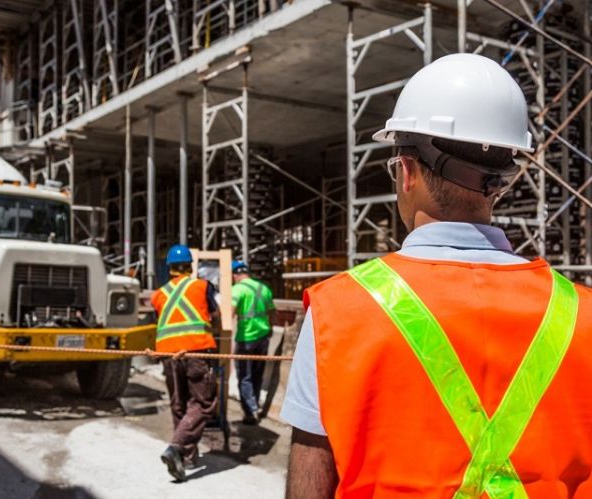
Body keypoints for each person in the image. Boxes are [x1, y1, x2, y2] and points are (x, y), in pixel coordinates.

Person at [282, 53, 592, 498]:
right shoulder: (582, 315)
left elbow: (310, 480)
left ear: (406, 171)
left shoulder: (339, 311)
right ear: (501, 181)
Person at [151, 244, 220, 482]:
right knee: (204, 404)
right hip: (196, 351)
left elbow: (161, 322)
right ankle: (176, 447)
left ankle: (187, 457)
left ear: (169, 268)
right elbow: (216, 314)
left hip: (168, 355)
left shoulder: (158, 294)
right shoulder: (202, 286)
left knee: (179, 404)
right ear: (191, 266)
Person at [231, 260, 275, 424]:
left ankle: (250, 412)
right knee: (257, 375)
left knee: (245, 376)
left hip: (245, 339)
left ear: (235, 275)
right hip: (263, 338)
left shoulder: (237, 289)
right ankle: (255, 405)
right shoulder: (264, 288)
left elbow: (230, 312)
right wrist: (269, 328)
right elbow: (273, 312)